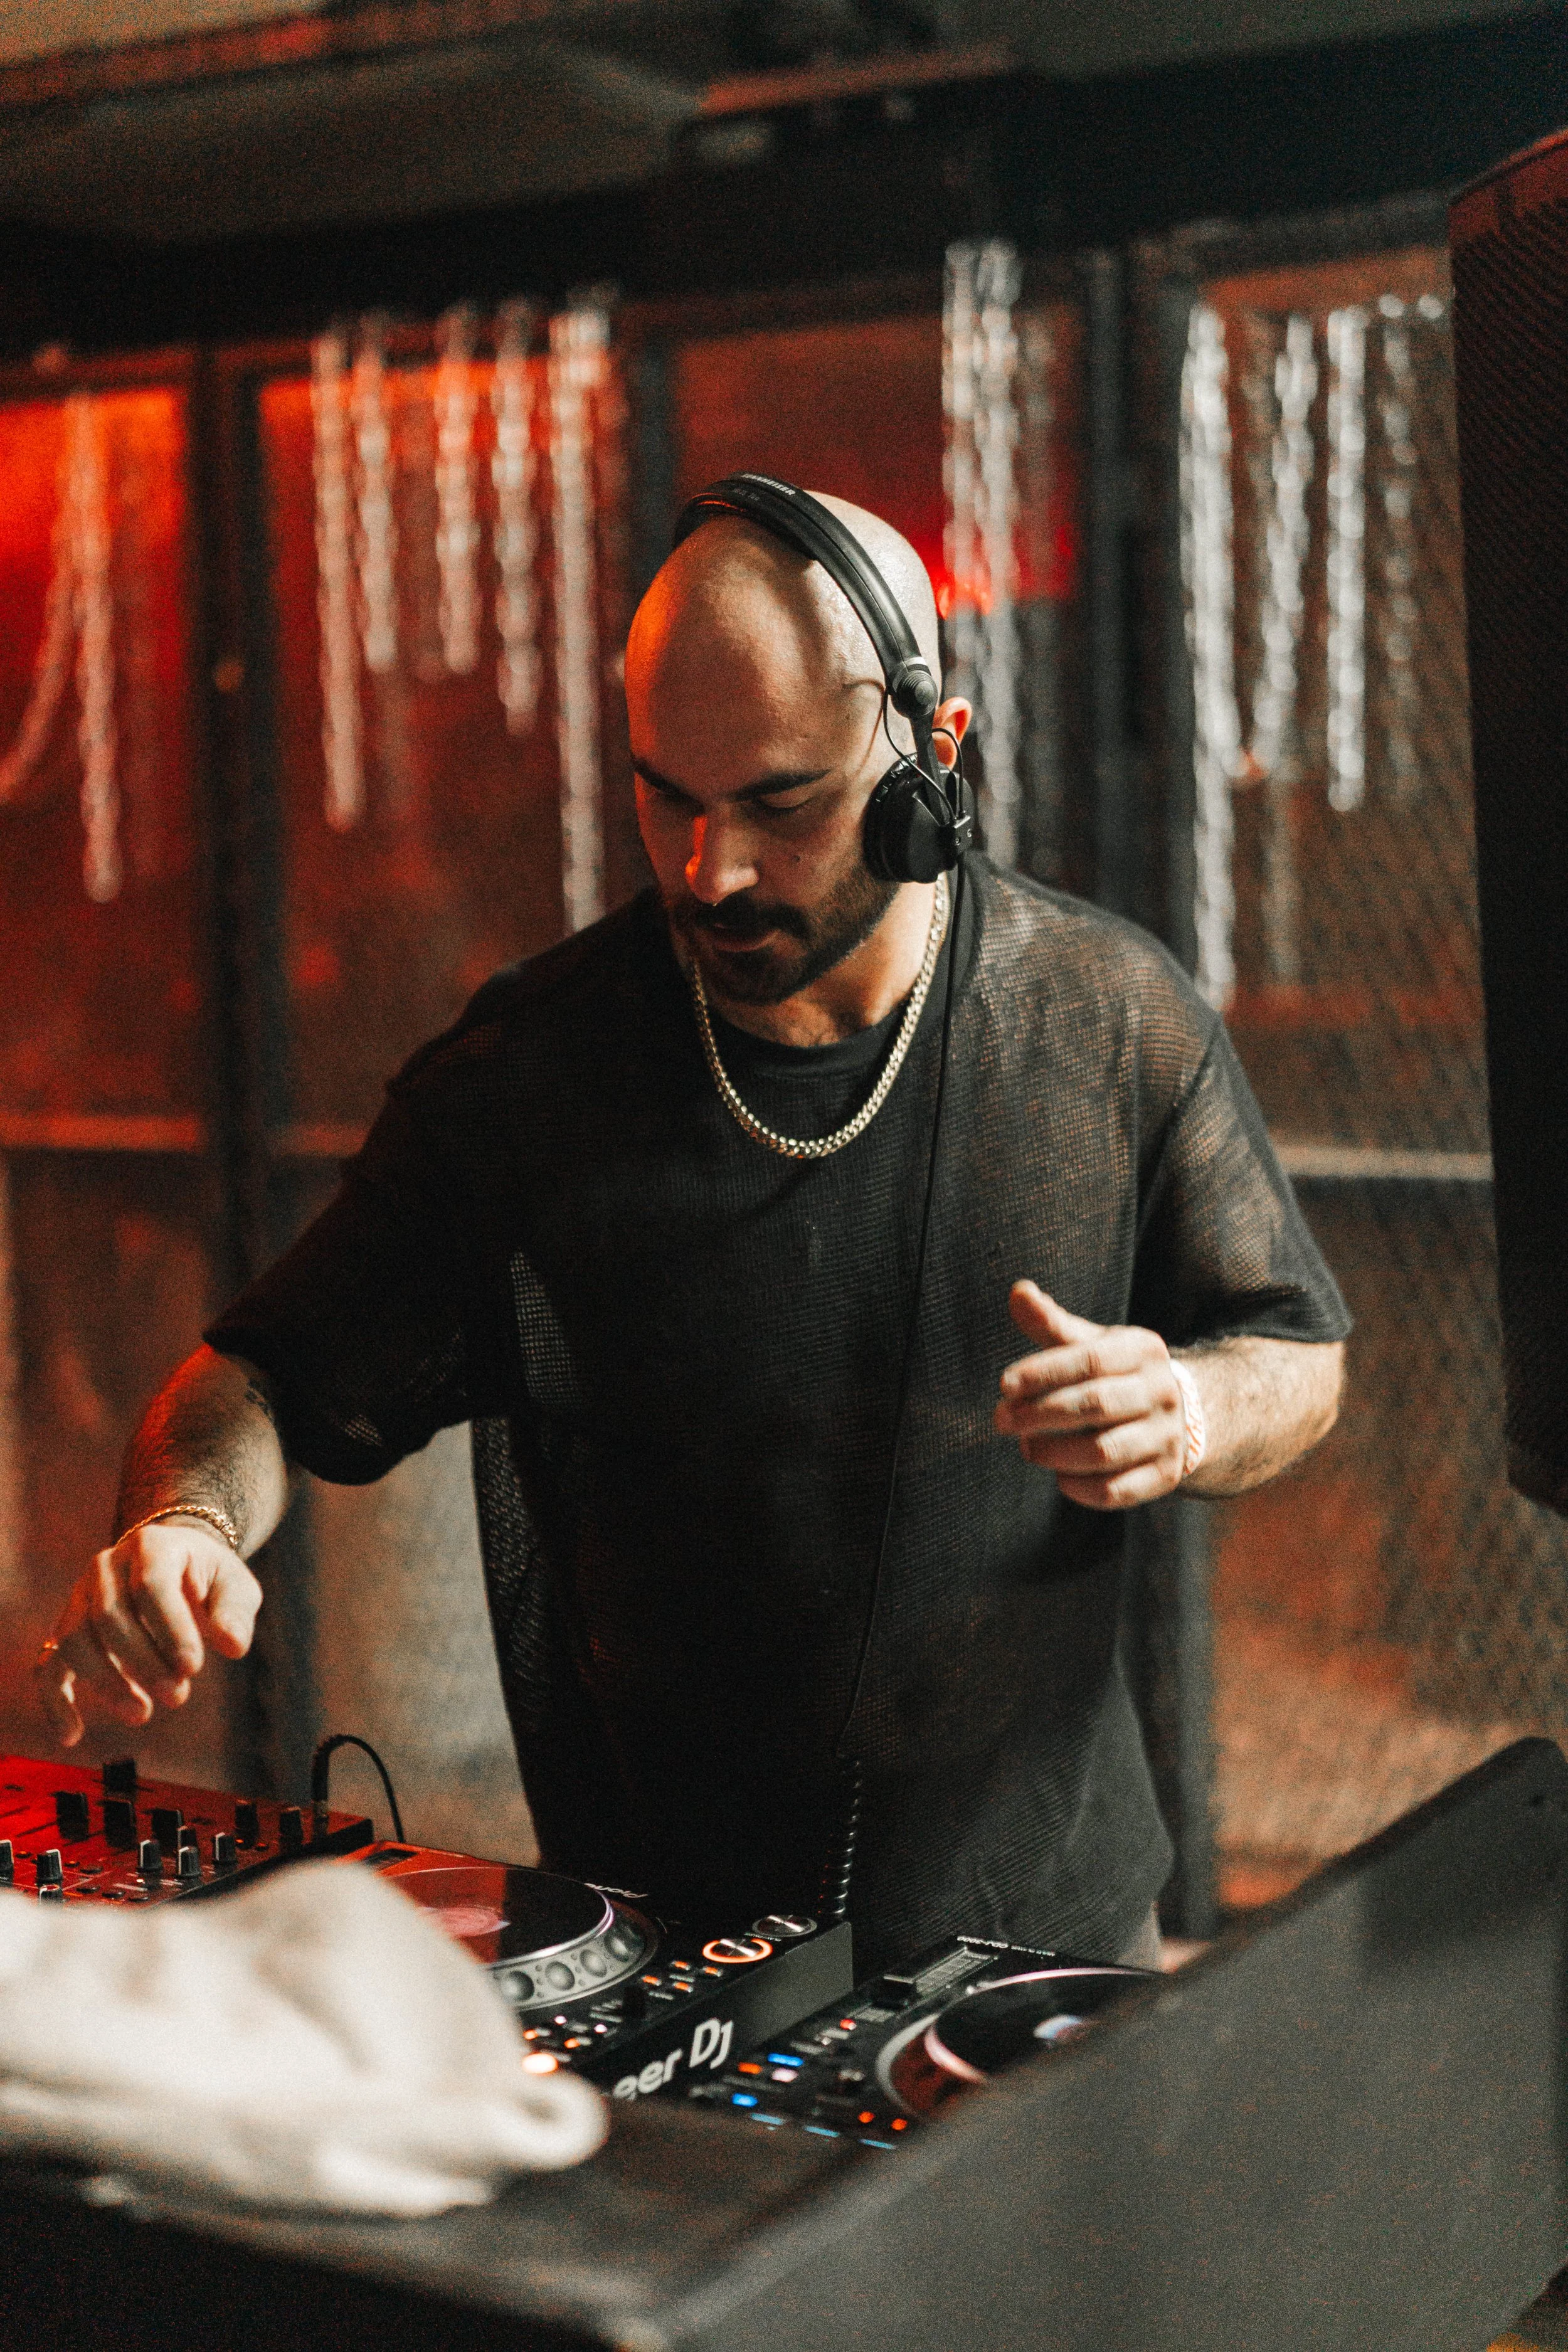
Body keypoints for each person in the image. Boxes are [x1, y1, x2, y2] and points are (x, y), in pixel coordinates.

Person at [33, 491, 1347, 1975]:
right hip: (661, 1950)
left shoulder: (1108, 1017)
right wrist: (183, 1525)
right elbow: (257, 1379)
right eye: (668, 797)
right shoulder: (526, 1084)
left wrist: (1187, 1407)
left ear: (933, 754)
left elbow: (1292, 1350)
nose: (710, 871)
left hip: (1052, 1939)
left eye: (780, 805)